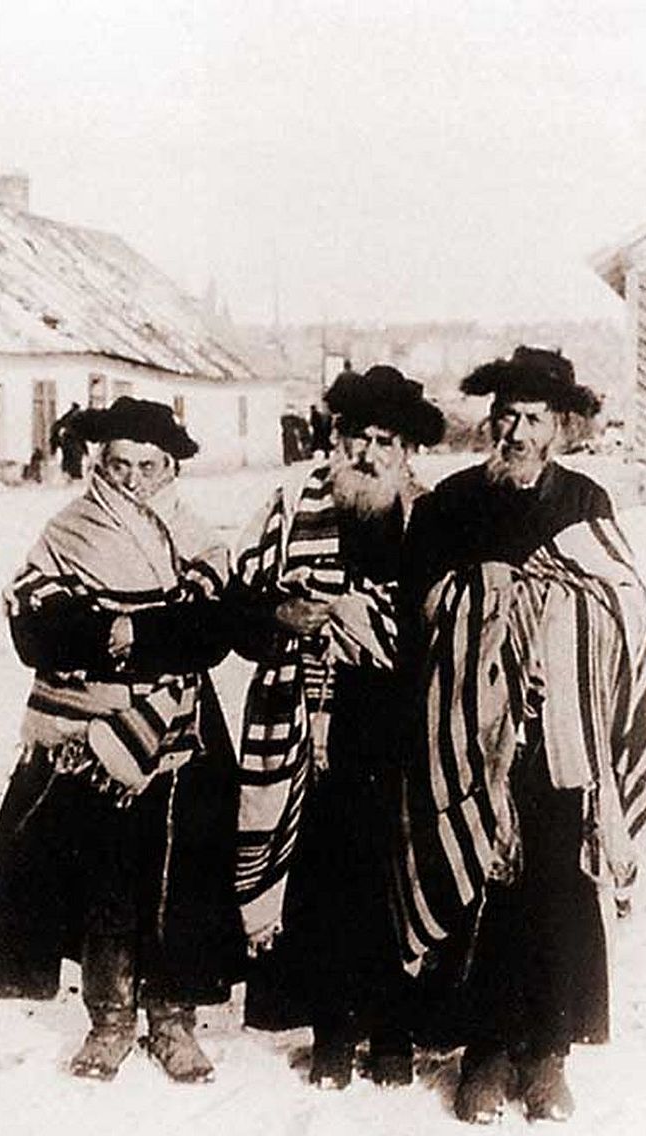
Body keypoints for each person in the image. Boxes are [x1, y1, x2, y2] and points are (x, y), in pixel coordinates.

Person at [394, 346, 646, 1123]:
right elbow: (420, 605)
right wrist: (488, 598)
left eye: (532, 419)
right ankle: (482, 1051)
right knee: (482, 875)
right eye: (504, 417)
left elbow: (619, 597)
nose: (514, 433)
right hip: (470, 733)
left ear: (559, 429)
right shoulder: (450, 504)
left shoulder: (583, 501)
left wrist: (552, 610)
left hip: (559, 730)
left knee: (557, 881)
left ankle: (547, 1053)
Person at [0, 396, 244, 1083]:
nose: (133, 480)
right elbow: (34, 630)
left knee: (178, 878)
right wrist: (122, 636)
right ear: (98, 465)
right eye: (119, 465)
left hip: (178, 735)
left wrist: (129, 630)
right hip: (89, 737)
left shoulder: (199, 539)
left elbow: (211, 635)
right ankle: (109, 1019)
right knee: (106, 877)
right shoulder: (68, 531)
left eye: (148, 466)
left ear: (170, 469)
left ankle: (172, 1020)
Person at [231, 365, 445, 1089]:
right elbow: (242, 602)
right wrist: (286, 615)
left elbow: (446, 618)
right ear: (336, 438)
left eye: (386, 442)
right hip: (308, 719)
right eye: (357, 437)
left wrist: (370, 622)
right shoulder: (292, 505)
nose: (368, 454)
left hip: (400, 717)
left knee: (397, 870)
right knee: (325, 877)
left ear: (407, 450)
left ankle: (393, 1032)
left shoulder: (429, 515)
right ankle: (331, 1029)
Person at [50, 402, 88, 480]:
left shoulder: (67, 417)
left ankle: (70, 475)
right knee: (73, 459)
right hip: (70, 443)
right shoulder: (71, 418)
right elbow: (56, 428)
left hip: (70, 443)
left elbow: (56, 428)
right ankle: (72, 475)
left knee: (71, 459)